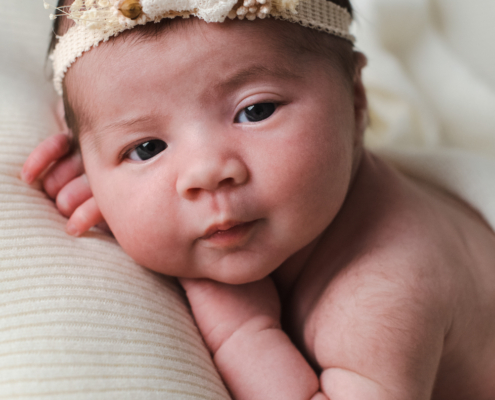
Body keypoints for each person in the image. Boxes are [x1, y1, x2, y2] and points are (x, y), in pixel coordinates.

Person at [21, 0, 495, 398]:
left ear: (355, 99)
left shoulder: (381, 298)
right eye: (147, 148)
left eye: (255, 111)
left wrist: (242, 333)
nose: (205, 172)